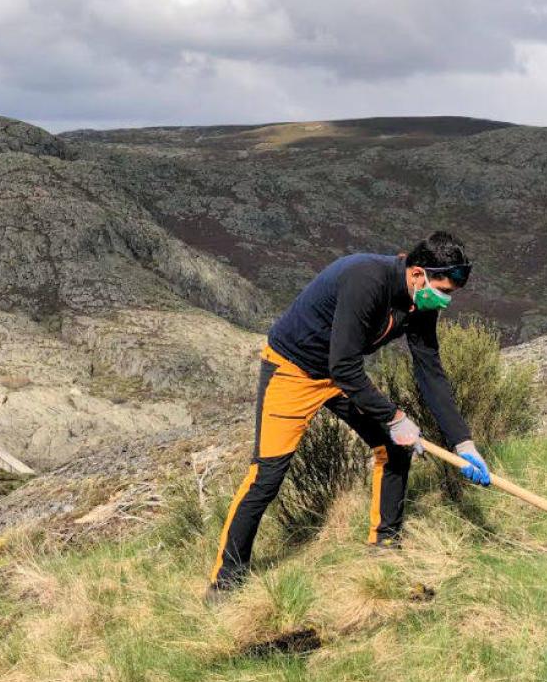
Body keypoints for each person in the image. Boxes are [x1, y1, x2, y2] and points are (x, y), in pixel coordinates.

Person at [207, 230, 491, 602]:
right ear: (419, 274)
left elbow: (430, 371)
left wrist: (464, 443)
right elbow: (343, 366)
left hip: (342, 375)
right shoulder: (366, 279)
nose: (445, 300)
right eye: (444, 290)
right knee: (267, 477)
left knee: (394, 449)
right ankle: (224, 583)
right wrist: (394, 417)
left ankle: (384, 546)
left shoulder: (418, 305)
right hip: (293, 370)